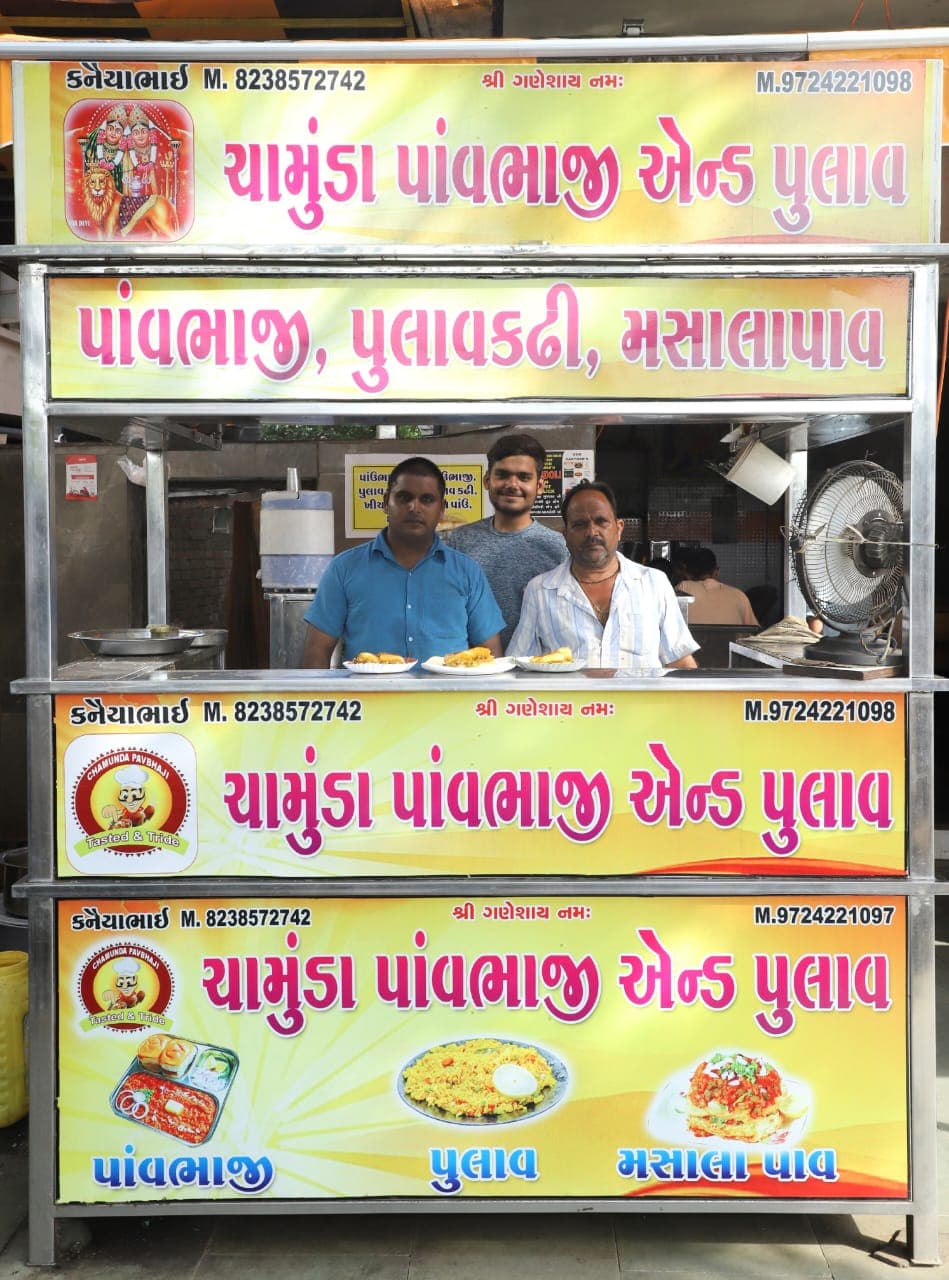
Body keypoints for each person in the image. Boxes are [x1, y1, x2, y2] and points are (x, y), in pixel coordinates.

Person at [302, 457, 504, 667]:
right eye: (404, 497)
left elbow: (491, 654)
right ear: (385, 502)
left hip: (446, 698)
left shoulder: (467, 572)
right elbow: (317, 649)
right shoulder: (344, 568)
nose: (414, 508)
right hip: (369, 698)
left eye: (426, 500)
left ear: (441, 509)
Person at [508, 481, 698, 671]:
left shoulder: (654, 583)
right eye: (579, 524)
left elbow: (680, 661)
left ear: (619, 528)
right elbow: (519, 664)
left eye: (601, 521)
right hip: (575, 702)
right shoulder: (541, 590)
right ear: (565, 535)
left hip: (641, 701)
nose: (591, 532)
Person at [444, 433, 566, 648]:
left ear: (539, 486)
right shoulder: (459, 542)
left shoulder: (558, 547)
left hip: (539, 671)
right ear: (487, 480)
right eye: (502, 475)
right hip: (473, 670)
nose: (512, 484)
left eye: (524, 477)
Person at [677, 548, 759, 626]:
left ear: (688, 573)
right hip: (729, 641)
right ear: (716, 571)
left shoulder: (683, 588)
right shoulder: (739, 595)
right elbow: (754, 630)